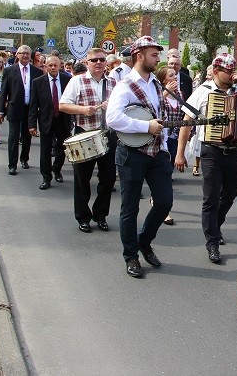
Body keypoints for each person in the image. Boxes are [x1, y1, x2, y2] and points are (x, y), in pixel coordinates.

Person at [174, 53, 237, 264]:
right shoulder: (202, 91)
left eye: (233, 71)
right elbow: (187, 122)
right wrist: (180, 153)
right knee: (211, 198)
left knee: (230, 195)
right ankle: (212, 243)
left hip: (235, 151)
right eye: (228, 71)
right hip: (211, 151)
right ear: (215, 71)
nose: (232, 75)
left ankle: (216, 225)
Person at [107, 36, 175, 278]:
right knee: (130, 207)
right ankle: (131, 256)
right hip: (131, 153)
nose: (158, 59)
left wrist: (164, 143)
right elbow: (112, 118)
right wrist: (145, 127)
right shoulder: (124, 85)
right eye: (154, 55)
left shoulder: (156, 84)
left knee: (164, 202)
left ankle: (144, 241)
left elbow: (159, 117)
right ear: (139, 56)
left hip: (157, 153)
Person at [59, 48, 116, 233]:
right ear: (87, 63)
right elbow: (63, 105)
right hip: (84, 134)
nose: (98, 63)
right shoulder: (77, 81)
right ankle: (83, 217)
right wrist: (83, 110)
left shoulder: (113, 82)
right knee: (82, 178)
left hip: (108, 134)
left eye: (101, 59)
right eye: (94, 60)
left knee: (108, 178)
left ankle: (100, 215)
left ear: (106, 62)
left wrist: (113, 107)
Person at [0, 45, 43, 175]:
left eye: (28, 53)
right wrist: (0, 111)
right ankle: (12, 164)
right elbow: (4, 92)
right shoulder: (9, 70)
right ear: (17, 55)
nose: (25, 55)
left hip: (30, 109)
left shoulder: (37, 72)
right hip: (14, 108)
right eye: (23, 53)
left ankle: (24, 159)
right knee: (13, 137)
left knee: (27, 136)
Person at [29, 55, 71, 190]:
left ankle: (57, 169)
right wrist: (32, 124)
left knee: (62, 148)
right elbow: (33, 105)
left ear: (60, 66)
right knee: (45, 150)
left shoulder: (67, 80)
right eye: (50, 65)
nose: (53, 67)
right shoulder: (38, 82)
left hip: (63, 118)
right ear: (45, 66)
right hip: (46, 119)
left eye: (55, 65)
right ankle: (46, 177)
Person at [155, 66, 182, 225]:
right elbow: (154, 108)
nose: (175, 78)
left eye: (175, 75)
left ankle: (157, 200)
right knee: (162, 173)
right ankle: (163, 208)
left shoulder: (180, 94)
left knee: (169, 171)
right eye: (171, 75)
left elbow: (182, 114)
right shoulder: (158, 93)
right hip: (161, 138)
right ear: (163, 79)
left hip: (174, 137)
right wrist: (166, 93)